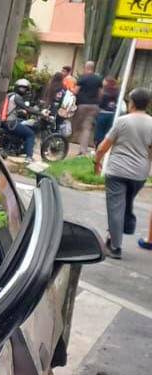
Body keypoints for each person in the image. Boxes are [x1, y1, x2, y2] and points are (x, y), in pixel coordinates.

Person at [94, 87, 152, 259]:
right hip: (139, 174)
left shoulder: (122, 121)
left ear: (132, 103)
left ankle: (115, 246)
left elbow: (104, 146)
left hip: (117, 170)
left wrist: (97, 162)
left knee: (115, 208)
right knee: (124, 203)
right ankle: (124, 226)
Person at [72, 61, 103, 153]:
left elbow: (75, 92)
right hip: (94, 106)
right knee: (87, 127)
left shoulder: (82, 78)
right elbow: (101, 93)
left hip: (82, 105)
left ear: (86, 67)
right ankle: (83, 149)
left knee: (76, 125)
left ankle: (67, 143)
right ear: (93, 68)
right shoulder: (98, 79)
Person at [1, 78, 36, 160]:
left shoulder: (10, 95)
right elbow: (28, 109)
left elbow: (11, 108)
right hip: (10, 122)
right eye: (22, 88)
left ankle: (16, 146)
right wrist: (41, 113)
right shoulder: (17, 97)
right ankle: (29, 157)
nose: (23, 90)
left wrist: (20, 111)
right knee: (30, 134)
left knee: (23, 122)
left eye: (24, 88)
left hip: (4, 121)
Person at [95, 75, 119, 146]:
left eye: (104, 81)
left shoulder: (104, 92)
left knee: (99, 132)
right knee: (108, 132)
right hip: (112, 114)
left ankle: (98, 147)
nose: (103, 82)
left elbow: (100, 104)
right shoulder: (117, 92)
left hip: (103, 113)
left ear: (107, 82)